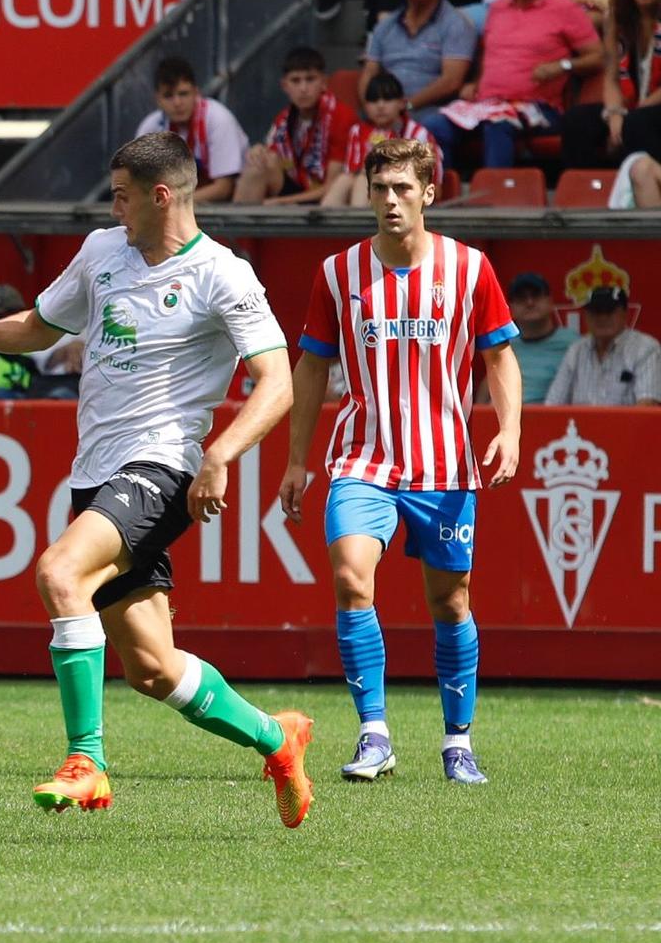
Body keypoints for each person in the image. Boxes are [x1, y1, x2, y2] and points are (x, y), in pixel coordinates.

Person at [0, 131, 315, 827]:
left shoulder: (223, 274)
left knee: (61, 573)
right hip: (95, 473)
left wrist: (221, 454)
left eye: (122, 196)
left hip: (164, 467)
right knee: (152, 670)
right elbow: (41, 326)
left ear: (162, 197)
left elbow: (277, 382)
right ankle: (279, 741)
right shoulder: (103, 252)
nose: (114, 208)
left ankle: (86, 762)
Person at [280, 136, 524, 787]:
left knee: (450, 603)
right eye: (379, 188)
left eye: (402, 189)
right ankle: (374, 733)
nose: (390, 200)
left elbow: (499, 357)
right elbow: (310, 366)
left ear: (429, 194)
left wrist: (510, 431)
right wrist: (296, 459)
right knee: (351, 577)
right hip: (363, 459)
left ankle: (457, 742)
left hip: (444, 465)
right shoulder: (337, 274)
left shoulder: (470, 270)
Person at [430, 0, 601, 169]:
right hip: (487, 103)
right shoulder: (498, 8)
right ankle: (441, 194)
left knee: (498, 126)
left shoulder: (564, 8)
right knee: (434, 126)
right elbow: (490, 55)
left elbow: (598, 57)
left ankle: (498, 195)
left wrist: (562, 66)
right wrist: (476, 83)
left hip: (539, 106)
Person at [562, 0, 661, 168]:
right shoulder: (615, 18)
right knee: (576, 120)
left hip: (654, 105)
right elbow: (611, 78)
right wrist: (614, 113)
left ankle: (641, 191)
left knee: (637, 124)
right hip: (631, 107)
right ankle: (587, 192)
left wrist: (632, 116)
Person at [237, 47, 359, 205]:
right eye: (295, 80)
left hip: (329, 198)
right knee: (259, 163)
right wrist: (259, 151)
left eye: (310, 79)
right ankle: (237, 228)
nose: (303, 89)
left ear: (323, 82)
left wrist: (281, 202)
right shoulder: (283, 118)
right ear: (284, 85)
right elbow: (272, 157)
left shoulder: (342, 116)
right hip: (297, 186)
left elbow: (333, 185)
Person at [360, 0, 479, 124]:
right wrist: (370, 106)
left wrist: (407, 105)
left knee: (431, 123)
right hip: (386, 108)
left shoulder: (456, 24)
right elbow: (369, 72)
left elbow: (451, 81)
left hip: (432, 110)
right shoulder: (385, 26)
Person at [134, 56, 251, 203]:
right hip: (180, 202)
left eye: (183, 94)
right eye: (168, 96)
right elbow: (141, 182)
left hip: (230, 203)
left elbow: (224, 188)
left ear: (196, 93)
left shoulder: (218, 119)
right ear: (158, 99)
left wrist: (172, 202)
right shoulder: (150, 127)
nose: (177, 103)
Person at [322, 71, 445, 206]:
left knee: (364, 180)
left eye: (387, 99)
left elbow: (433, 186)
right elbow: (351, 172)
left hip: (409, 197)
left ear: (401, 103)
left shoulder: (418, 134)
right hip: (371, 192)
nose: (380, 106)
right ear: (365, 106)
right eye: (373, 100)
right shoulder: (357, 132)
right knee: (344, 179)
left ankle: (361, 224)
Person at [545, 284, 661, 403]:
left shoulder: (646, 348)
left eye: (609, 311)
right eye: (596, 312)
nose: (602, 318)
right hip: (580, 421)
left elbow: (647, 406)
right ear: (586, 316)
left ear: (625, 314)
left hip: (626, 422)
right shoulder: (576, 350)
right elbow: (553, 403)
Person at [501, 271, 581, 402]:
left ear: (550, 302)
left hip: (555, 416)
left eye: (536, 295)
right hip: (511, 417)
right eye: (521, 298)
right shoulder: (505, 346)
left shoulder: (573, 343)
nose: (530, 302)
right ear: (511, 308)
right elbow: (489, 384)